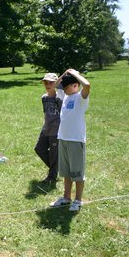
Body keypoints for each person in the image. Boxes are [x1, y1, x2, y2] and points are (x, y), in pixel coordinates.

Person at [50, 69, 91, 212]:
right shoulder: (65, 96)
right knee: (66, 172)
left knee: (77, 173)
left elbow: (87, 85)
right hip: (63, 138)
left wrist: (75, 74)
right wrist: (65, 73)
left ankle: (78, 200)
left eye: (66, 87)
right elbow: (55, 85)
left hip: (75, 140)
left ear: (75, 85)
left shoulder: (80, 98)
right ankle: (66, 197)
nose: (64, 90)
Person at [34, 73, 64, 184]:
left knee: (53, 154)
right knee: (39, 149)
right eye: (45, 82)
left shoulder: (60, 97)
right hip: (46, 128)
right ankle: (57, 168)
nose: (47, 84)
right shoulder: (44, 97)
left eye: (51, 82)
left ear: (56, 83)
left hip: (56, 130)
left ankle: (52, 176)